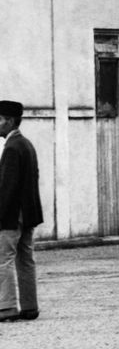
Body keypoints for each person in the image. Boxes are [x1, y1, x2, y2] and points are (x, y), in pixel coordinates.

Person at [0, 100, 43, 322]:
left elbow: (7, 186)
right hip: (28, 213)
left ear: (8, 121)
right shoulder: (26, 144)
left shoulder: (11, 148)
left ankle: (6, 307)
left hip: (12, 214)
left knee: (3, 259)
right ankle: (29, 306)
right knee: (26, 259)